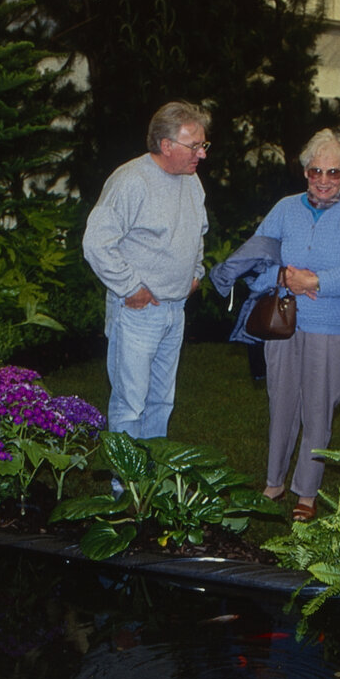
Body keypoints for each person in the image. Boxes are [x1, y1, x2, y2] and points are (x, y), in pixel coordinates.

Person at [211, 130, 340, 521]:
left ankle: (307, 490)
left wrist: (315, 282)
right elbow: (255, 260)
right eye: (315, 170)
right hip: (282, 323)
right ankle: (274, 480)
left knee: (319, 409)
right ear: (304, 171)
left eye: (333, 172)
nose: (323, 180)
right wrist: (284, 278)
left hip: (331, 326)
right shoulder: (285, 208)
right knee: (280, 401)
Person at [82, 101, 210, 440]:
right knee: (130, 404)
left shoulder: (191, 182)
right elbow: (96, 243)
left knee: (161, 402)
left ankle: (152, 482)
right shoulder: (131, 181)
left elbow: (198, 231)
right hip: (138, 313)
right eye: (194, 146)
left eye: (203, 145)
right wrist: (130, 287)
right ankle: (124, 488)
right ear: (166, 145)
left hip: (175, 310)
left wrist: (195, 272)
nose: (202, 154)